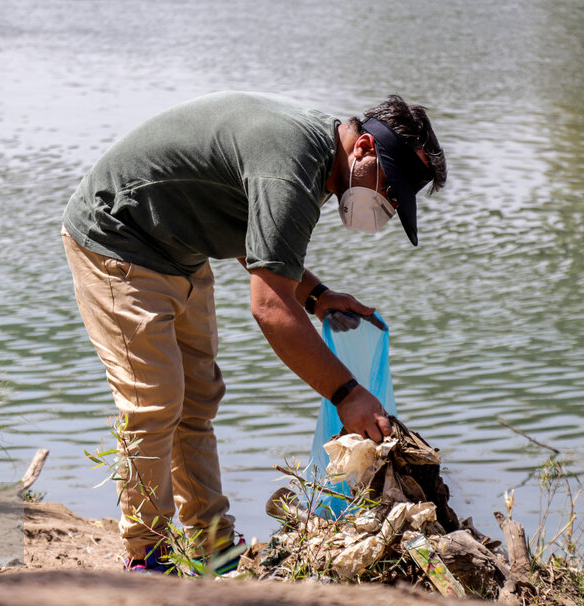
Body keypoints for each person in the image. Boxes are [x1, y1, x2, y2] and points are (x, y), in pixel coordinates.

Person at [61, 91, 446, 572]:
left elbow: (261, 246)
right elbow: (268, 307)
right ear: (364, 147)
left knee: (197, 400)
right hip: (117, 238)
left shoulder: (319, 164)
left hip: (178, 249)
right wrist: (347, 394)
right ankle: (148, 555)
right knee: (155, 401)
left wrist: (316, 296)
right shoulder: (294, 165)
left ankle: (212, 545)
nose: (387, 204)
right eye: (390, 190)